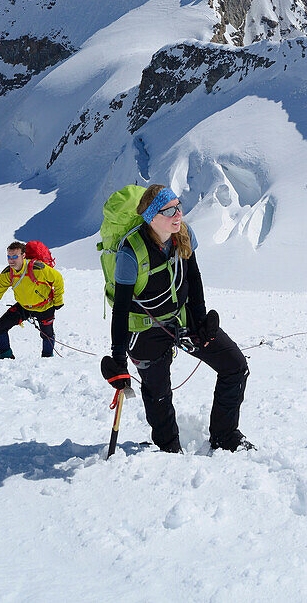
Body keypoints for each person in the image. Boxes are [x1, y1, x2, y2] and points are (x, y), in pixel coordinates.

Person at [101, 184, 252, 454]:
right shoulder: (130, 253)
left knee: (235, 366)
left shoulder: (182, 233)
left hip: (181, 319)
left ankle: (225, 436)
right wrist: (118, 358)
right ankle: (168, 449)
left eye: (178, 206)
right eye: (169, 210)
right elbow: (121, 309)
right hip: (144, 328)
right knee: (158, 393)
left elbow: (192, 277)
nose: (178, 214)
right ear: (151, 217)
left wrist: (201, 320)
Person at [0, 242, 65, 358]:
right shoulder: (7, 274)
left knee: (47, 335)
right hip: (24, 307)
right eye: (9, 257)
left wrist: (58, 301)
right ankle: (6, 358)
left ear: (23, 256)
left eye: (15, 256)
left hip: (44, 307)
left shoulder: (38, 269)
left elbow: (58, 279)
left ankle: (47, 359)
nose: (11, 260)